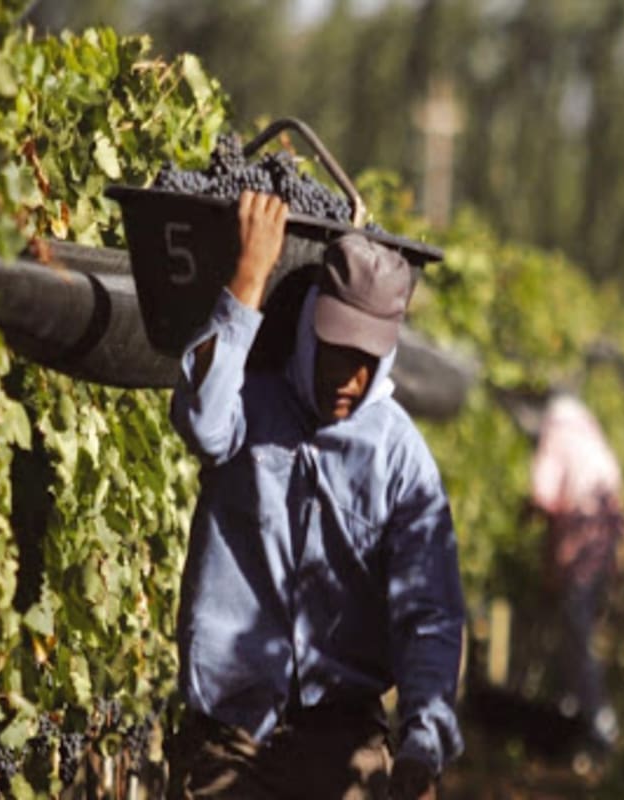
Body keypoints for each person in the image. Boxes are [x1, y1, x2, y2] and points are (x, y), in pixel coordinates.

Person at [167, 191, 466, 799]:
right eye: (337, 349)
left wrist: (422, 738)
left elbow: (429, 611)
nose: (349, 377)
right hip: (232, 733)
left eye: (367, 360)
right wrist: (247, 282)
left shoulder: (399, 457)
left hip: (343, 735)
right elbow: (199, 420)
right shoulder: (250, 401)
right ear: (309, 324)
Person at [528, 392, 624, 760]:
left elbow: (544, 494)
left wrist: (529, 516)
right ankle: (578, 715)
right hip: (602, 550)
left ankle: (595, 721)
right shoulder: (593, 439)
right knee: (580, 633)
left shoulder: (558, 434)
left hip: (581, 545)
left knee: (576, 634)